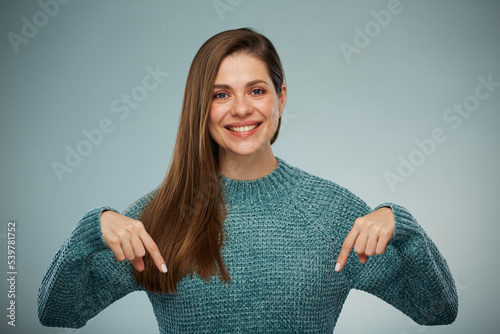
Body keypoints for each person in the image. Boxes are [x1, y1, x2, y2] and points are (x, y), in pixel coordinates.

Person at [37, 27, 458, 333]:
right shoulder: (158, 217)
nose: (240, 109)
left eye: (256, 91)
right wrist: (93, 228)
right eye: (221, 94)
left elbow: (436, 309)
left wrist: (402, 226)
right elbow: (59, 312)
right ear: (200, 108)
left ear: (281, 99)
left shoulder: (332, 214)